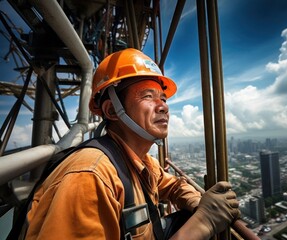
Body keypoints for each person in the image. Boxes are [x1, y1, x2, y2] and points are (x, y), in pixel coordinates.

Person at [24, 48, 240, 240]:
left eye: (163, 99)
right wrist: (202, 223)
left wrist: (195, 202)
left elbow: (173, 185)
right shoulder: (89, 178)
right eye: (148, 96)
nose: (163, 107)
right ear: (111, 110)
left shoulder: (141, 161)